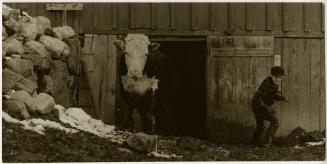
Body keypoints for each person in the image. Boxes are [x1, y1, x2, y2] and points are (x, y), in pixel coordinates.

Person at [251, 66, 287, 146]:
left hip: (258, 106)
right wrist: (268, 108)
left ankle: (254, 142)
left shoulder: (274, 84)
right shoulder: (267, 83)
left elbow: (272, 95)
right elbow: (259, 99)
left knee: (261, 126)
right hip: (258, 106)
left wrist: (281, 98)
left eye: (280, 77)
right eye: (276, 77)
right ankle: (268, 142)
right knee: (275, 122)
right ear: (271, 75)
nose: (278, 79)